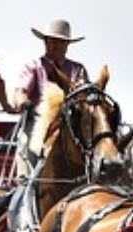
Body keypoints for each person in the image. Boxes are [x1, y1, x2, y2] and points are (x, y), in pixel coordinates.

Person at [13, 19, 88, 176]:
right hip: (37, 124)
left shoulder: (77, 70)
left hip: (69, 127)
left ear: (67, 45)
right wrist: (22, 102)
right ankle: (24, 186)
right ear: (45, 42)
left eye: (60, 42)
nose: (54, 45)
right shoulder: (33, 66)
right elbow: (21, 91)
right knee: (25, 149)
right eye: (50, 41)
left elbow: (84, 96)